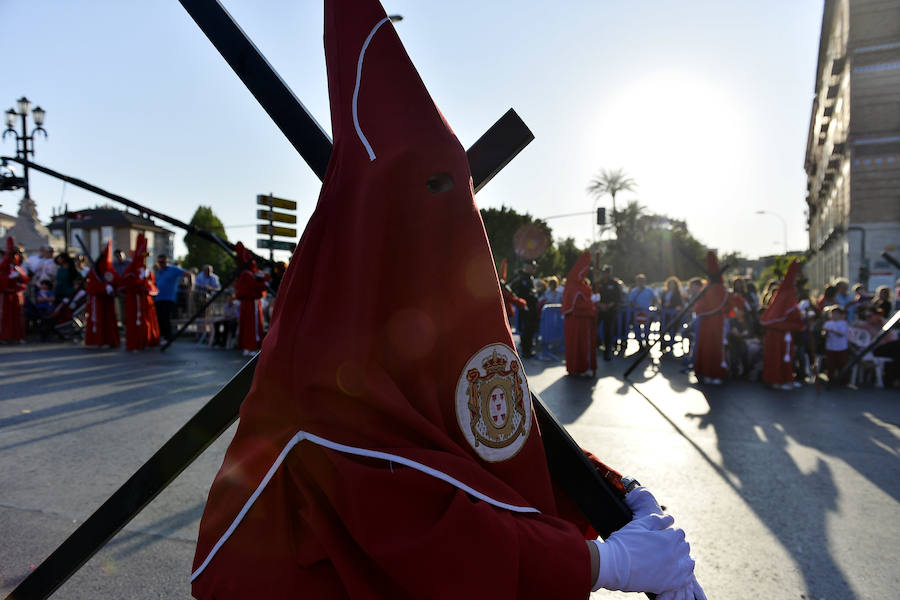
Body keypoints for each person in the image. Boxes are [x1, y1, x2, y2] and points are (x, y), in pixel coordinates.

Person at [191, 4, 705, 598]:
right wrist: (606, 564)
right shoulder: (323, 368)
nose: (453, 219)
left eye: (452, 188)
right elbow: (426, 526)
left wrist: (614, 491)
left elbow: (488, 429)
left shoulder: (417, 313)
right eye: (429, 190)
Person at [693, 252, 745, 384]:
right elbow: (728, 303)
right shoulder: (714, 289)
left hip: (712, 323)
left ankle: (710, 373)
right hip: (714, 324)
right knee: (712, 348)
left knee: (711, 347)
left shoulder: (711, 289)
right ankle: (711, 374)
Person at [759, 260, 804, 389]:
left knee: (786, 357)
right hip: (777, 334)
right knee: (777, 358)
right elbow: (788, 314)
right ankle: (777, 380)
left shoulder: (787, 294)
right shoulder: (786, 294)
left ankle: (787, 378)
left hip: (784, 333)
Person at [119, 233, 160, 351]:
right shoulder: (131, 269)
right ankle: (136, 343)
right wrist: (139, 281)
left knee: (147, 321)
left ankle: (147, 341)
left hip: (145, 301)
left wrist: (147, 284)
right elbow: (126, 283)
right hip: (134, 300)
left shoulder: (147, 270)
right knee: (134, 322)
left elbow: (152, 284)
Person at [562, 251, 597, 377]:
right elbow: (577, 305)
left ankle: (577, 368)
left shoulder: (575, 285)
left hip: (578, 321)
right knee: (580, 345)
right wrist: (592, 302)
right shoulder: (574, 286)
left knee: (578, 345)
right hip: (578, 320)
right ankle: (580, 368)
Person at [233, 242, 269, 356]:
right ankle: (250, 346)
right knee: (252, 326)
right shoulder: (248, 274)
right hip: (251, 303)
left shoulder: (246, 274)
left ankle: (249, 347)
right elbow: (255, 286)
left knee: (250, 325)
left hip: (249, 303)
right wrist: (265, 282)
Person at [83, 241, 120, 348]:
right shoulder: (94, 271)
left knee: (109, 319)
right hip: (97, 299)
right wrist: (104, 287)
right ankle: (97, 340)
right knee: (97, 319)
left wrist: (112, 288)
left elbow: (117, 281)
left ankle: (110, 340)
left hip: (108, 300)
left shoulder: (111, 270)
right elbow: (91, 285)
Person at [0, 237, 30, 343]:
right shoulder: (4, 267)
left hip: (17, 295)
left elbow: (26, 280)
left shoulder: (18, 267)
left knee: (18, 317)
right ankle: (5, 336)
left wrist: (19, 278)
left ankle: (18, 336)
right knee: (6, 317)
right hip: (7, 296)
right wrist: (8, 278)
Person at [509, 260, 539, 357]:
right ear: (527, 267)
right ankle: (526, 350)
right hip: (525, 307)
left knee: (529, 329)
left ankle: (527, 349)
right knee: (527, 328)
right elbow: (513, 290)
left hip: (530, 307)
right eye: (532, 267)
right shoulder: (521, 277)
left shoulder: (529, 278)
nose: (534, 269)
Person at [154, 254, 186, 343]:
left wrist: (191, 288)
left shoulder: (173, 269)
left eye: (163, 262)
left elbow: (188, 274)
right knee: (160, 318)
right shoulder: (159, 271)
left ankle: (168, 337)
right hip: (159, 298)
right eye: (159, 262)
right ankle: (162, 336)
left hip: (169, 298)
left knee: (165, 318)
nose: (161, 264)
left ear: (167, 261)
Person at [595, 265, 622, 360]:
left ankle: (607, 353)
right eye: (603, 273)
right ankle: (596, 344)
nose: (604, 274)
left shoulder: (614, 284)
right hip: (600, 310)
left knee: (608, 332)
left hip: (610, 312)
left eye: (605, 273)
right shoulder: (598, 283)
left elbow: (618, 298)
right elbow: (595, 296)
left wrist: (608, 305)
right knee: (594, 328)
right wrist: (600, 305)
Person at [822, 305, 849, 384]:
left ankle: (843, 380)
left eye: (836, 314)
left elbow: (842, 334)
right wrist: (826, 333)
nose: (834, 315)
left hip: (841, 347)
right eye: (832, 314)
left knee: (842, 364)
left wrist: (832, 330)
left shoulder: (844, 323)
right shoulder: (827, 323)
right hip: (830, 347)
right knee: (831, 364)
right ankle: (831, 379)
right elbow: (824, 334)